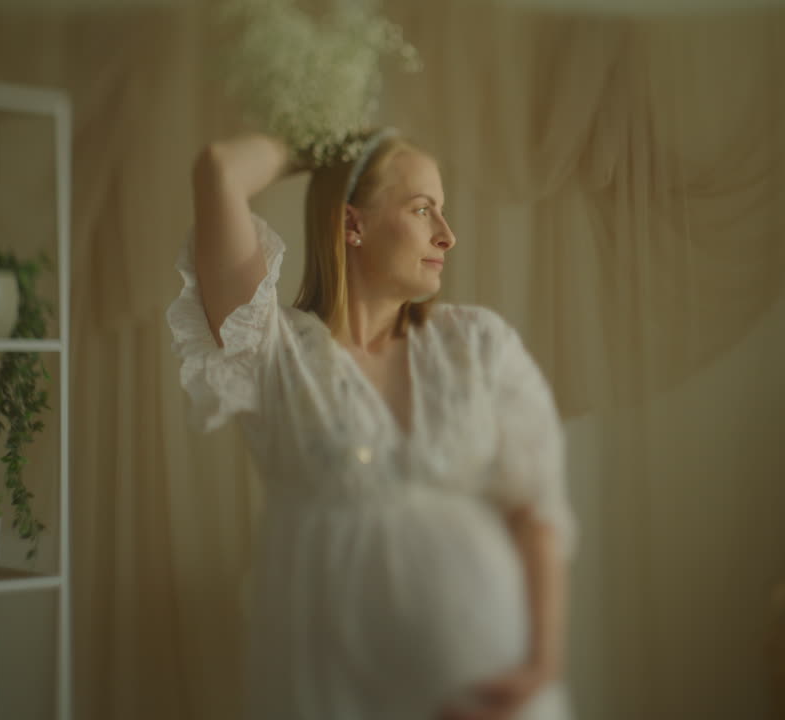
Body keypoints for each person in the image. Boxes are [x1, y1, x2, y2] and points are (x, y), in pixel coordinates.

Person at [166, 128, 578, 720]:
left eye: (442, 211)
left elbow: (536, 512)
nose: (447, 234)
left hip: (493, 691)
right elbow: (219, 169)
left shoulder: (477, 344)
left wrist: (540, 667)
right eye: (422, 209)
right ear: (351, 224)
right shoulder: (274, 352)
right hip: (328, 690)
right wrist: (324, 137)